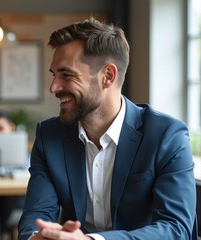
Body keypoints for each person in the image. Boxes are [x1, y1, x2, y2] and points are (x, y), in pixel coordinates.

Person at [18, 17, 197, 240]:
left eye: (67, 75)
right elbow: (36, 214)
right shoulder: (49, 136)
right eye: (54, 75)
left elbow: (176, 228)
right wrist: (37, 236)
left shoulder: (166, 136)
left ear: (108, 76)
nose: (54, 87)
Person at [0, 110, 25, 239]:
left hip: (16, 198)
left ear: (11, 128)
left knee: (5, 200)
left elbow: (28, 171)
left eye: (0, 128)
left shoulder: (22, 152)